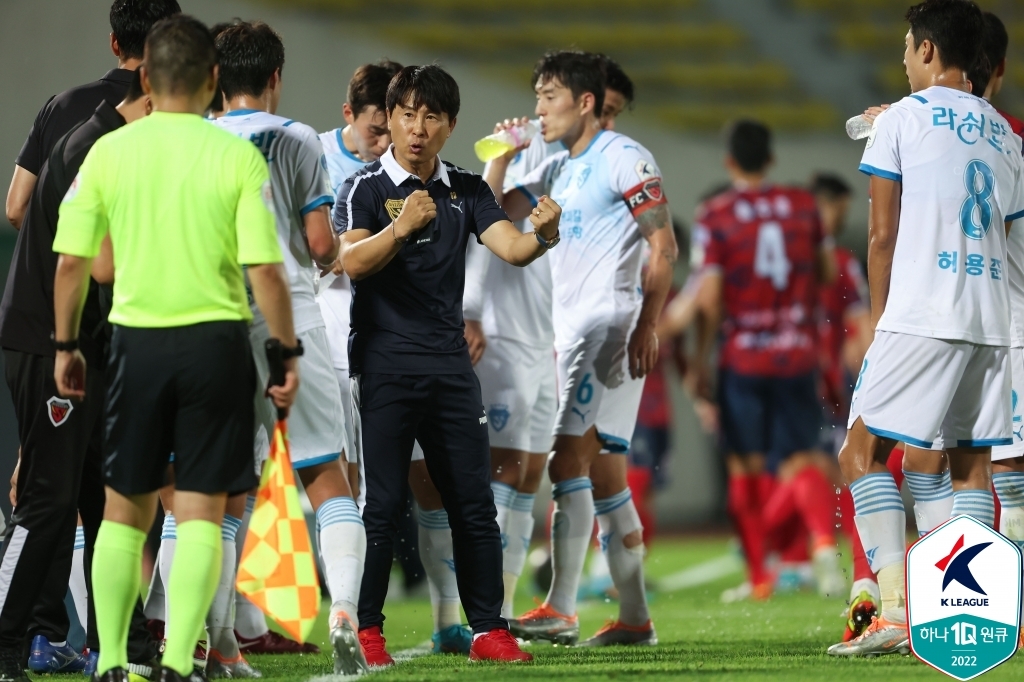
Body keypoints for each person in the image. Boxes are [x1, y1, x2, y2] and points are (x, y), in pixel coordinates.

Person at [50, 15, 300, 682]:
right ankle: (176, 664)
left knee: (122, 510)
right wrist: (285, 352)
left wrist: (65, 345)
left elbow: (76, 266)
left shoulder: (110, 152)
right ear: (214, 80)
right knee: (199, 513)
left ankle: (108, 662)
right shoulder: (236, 156)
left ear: (144, 76)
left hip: (135, 345)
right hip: (214, 348)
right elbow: (267, 273)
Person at [336, 64, 558, 666]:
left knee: (472, 501)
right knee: (382, 504)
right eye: (407, 114)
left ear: (450, 125)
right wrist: (401, 227)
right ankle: (368, 630)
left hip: (451, 369)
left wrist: (544, 235)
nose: (417, 128)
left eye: (431, 116)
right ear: (392, 117)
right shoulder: (364, 187)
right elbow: (350, 262)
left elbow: (510, 248)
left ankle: (488, 628)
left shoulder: (466, 189)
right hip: (384, 365)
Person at [827, 0, 1024, 658]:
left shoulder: (901, 120)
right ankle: (971, 618)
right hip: (993, 322)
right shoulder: (1007, 134)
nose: (903, 60)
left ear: (930, 51)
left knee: (861, 454)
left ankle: (891, 609)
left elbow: (881, 236)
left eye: (907, 48)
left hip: (920, 315)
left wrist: (880, 321)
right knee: (970, 471)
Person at [488, 50, 676, 647]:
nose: (538, 109)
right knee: (604, 478)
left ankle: (562, 606)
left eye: (549, 96)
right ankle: (635, 618)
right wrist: (501, 157)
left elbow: (664, 246)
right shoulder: (561, 168)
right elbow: (493, 219)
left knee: (567, 456)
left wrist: (647, 324)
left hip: (611, 329)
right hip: (572, 335)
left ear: (585, 102)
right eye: (538, 97)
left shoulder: (624, 156)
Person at [211, 21, 367, 676]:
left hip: (216, 317)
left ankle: (217, 644)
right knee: (326, 474)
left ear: (213, 78)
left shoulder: (197, 138)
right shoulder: (300, 138)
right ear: (275, 79)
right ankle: (344, 615)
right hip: (294, 313)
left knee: (221, 491)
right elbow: (323, 246)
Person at [459, 53, 637, 625]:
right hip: (515, 335)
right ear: (583, 100)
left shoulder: (608, 160)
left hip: (567, 337)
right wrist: (472, 309)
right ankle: (495, 608)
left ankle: (537, 606)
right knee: (531, 473)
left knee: (550, 470)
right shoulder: (539, 148)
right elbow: (488, 222)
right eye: (603, 110)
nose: (607, 123)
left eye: (616, 115)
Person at [0, 69, 155, 682]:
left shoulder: (98, 132)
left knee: (104, 499)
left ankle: (126, 648)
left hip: (81, 343)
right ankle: (8, 641)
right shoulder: (99, 147)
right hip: (55, 343)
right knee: (49, 501)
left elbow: (18, 207)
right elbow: (97, 265)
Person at [690, 120, 837, 603]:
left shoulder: (716, 214)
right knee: (803, 459)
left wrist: (700, 356)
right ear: (771, 159)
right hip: (796, 351)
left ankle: (759, 578)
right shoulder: (802, 206)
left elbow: (709, 299)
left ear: (729, 161)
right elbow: (827, 271)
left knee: (745, 470)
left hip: (744, 357)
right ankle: (821, 544)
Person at [5, 0, 180, 231]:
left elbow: (16, 209)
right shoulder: (178, 115)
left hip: (62, 264)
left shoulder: (60, 106)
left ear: (114, 43)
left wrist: (72, 247)